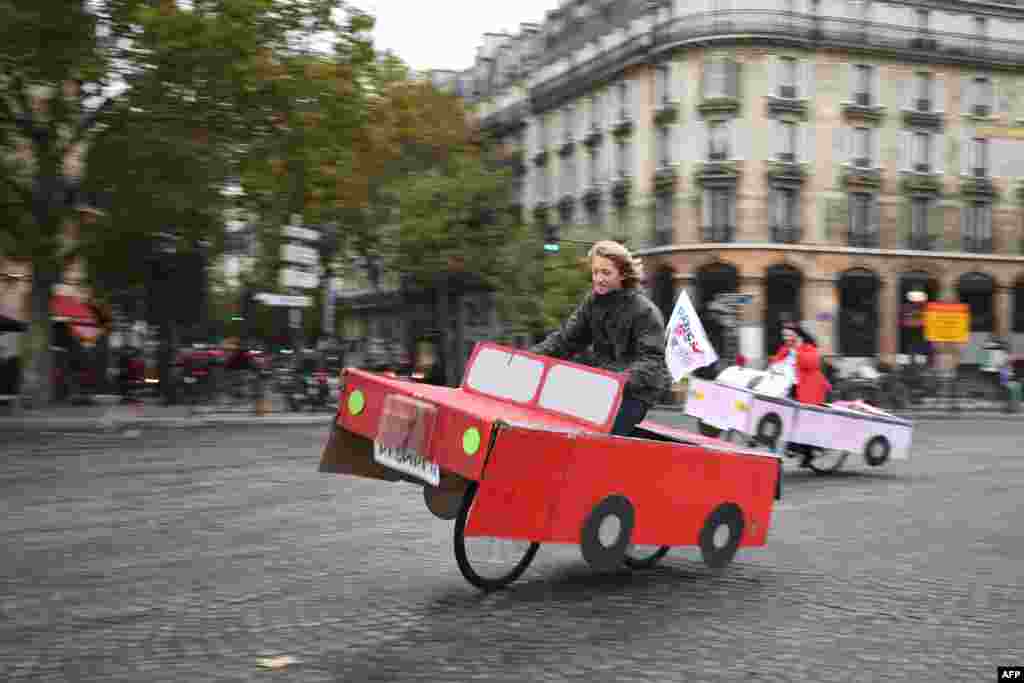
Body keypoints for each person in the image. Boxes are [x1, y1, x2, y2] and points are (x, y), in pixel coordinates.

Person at [530, 240, 672, 437]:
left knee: (601, 436)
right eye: (595, 272)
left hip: (637, 392)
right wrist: (529, 358)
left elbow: (651, 361)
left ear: (622, 274)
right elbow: (565, 340)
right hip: (604, 385)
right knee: (562, 422)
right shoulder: (592, 303)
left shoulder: (644, 311)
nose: (598, 279)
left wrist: (620, 380)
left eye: (606, 273)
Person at [769, 322, 831, 406]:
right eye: (784, 335)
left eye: (788, 335)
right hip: (786, 389)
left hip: (808, 391)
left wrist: (797, 349)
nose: (785, 338)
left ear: (798, 335)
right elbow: (775, 363)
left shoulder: (809, 348)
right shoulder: (784, 349)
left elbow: (810, 364)